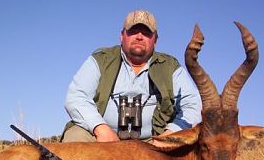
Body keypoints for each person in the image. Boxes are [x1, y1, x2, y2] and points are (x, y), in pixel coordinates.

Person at [61, 10, 201, 142]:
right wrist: (100, 128)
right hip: (101, 137)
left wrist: (169, 135)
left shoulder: (170, 66)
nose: (139, 37)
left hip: (154, 142)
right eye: (133, 31)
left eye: (146, 33)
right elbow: (76, 97)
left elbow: (193, 105)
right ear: (122, 36)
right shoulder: (101, 60)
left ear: (155, 40)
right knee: (75, 136)